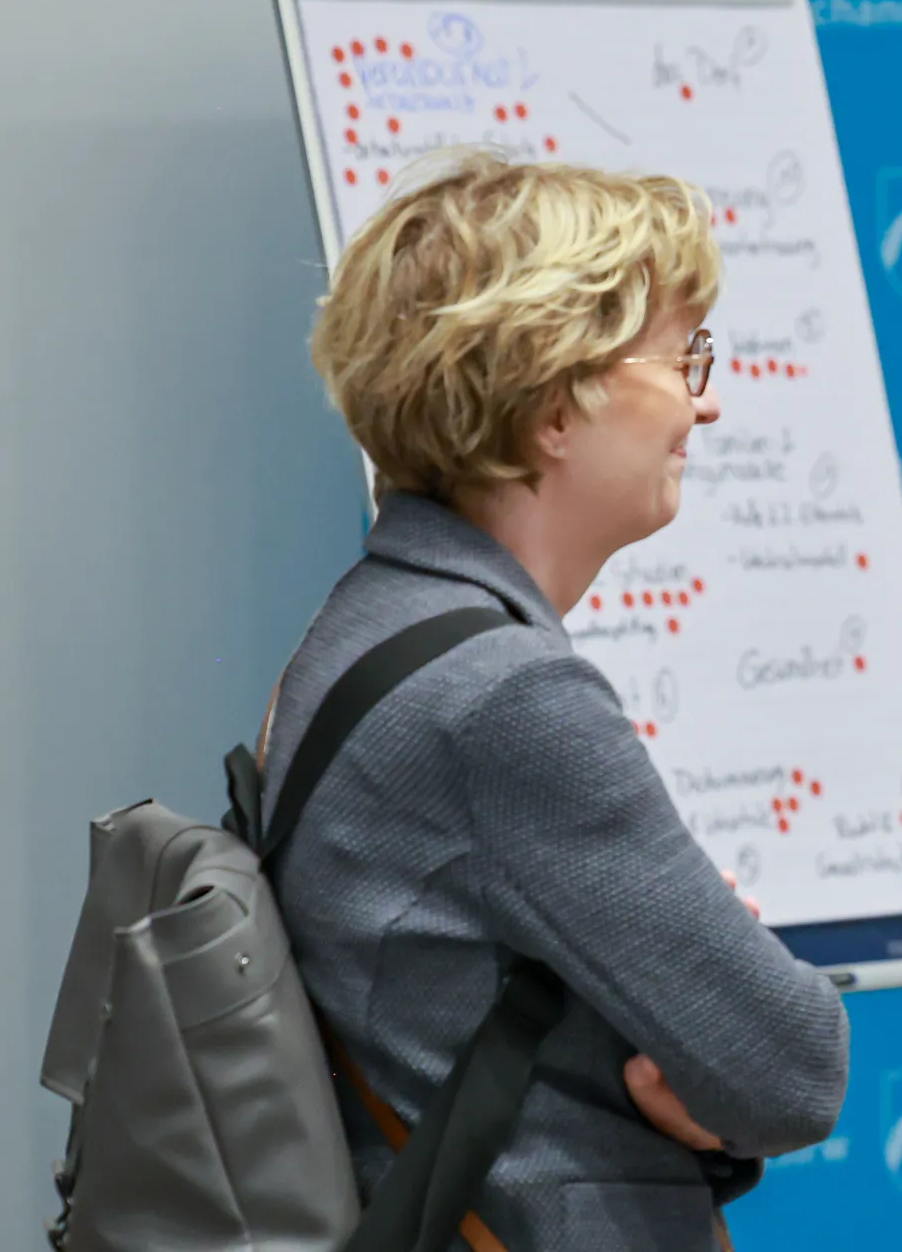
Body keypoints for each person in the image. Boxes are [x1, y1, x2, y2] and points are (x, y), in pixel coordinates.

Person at [278, 151, 848, 1247]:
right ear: (555, 401)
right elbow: (791, 1069)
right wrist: (699, 1057)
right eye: (683, 357)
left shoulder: (368, 625)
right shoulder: (508, 698)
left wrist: (692, 1060)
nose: (707, 400)